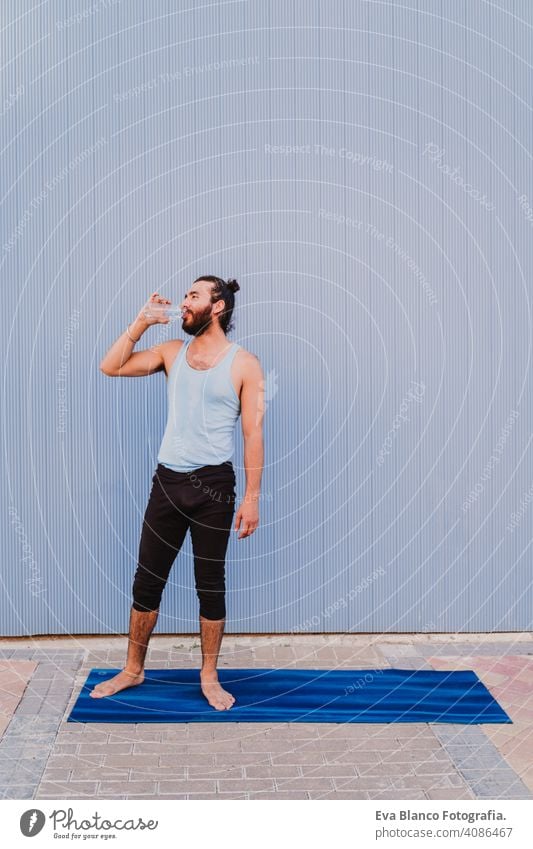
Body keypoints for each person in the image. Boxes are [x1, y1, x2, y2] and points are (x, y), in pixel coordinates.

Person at [91, 277, 265, 710]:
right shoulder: (172, 351)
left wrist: (252, 497)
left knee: (210, 585)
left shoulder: (245, 364)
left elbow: (253, 433)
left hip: (216, 489)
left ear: (218, 306)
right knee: (147, 582)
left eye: (193, 296)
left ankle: (209, 675)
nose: (184, 303)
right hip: (168, 483)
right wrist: (139, 322)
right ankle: (133, 668)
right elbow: (110, 366)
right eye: (185, 296)